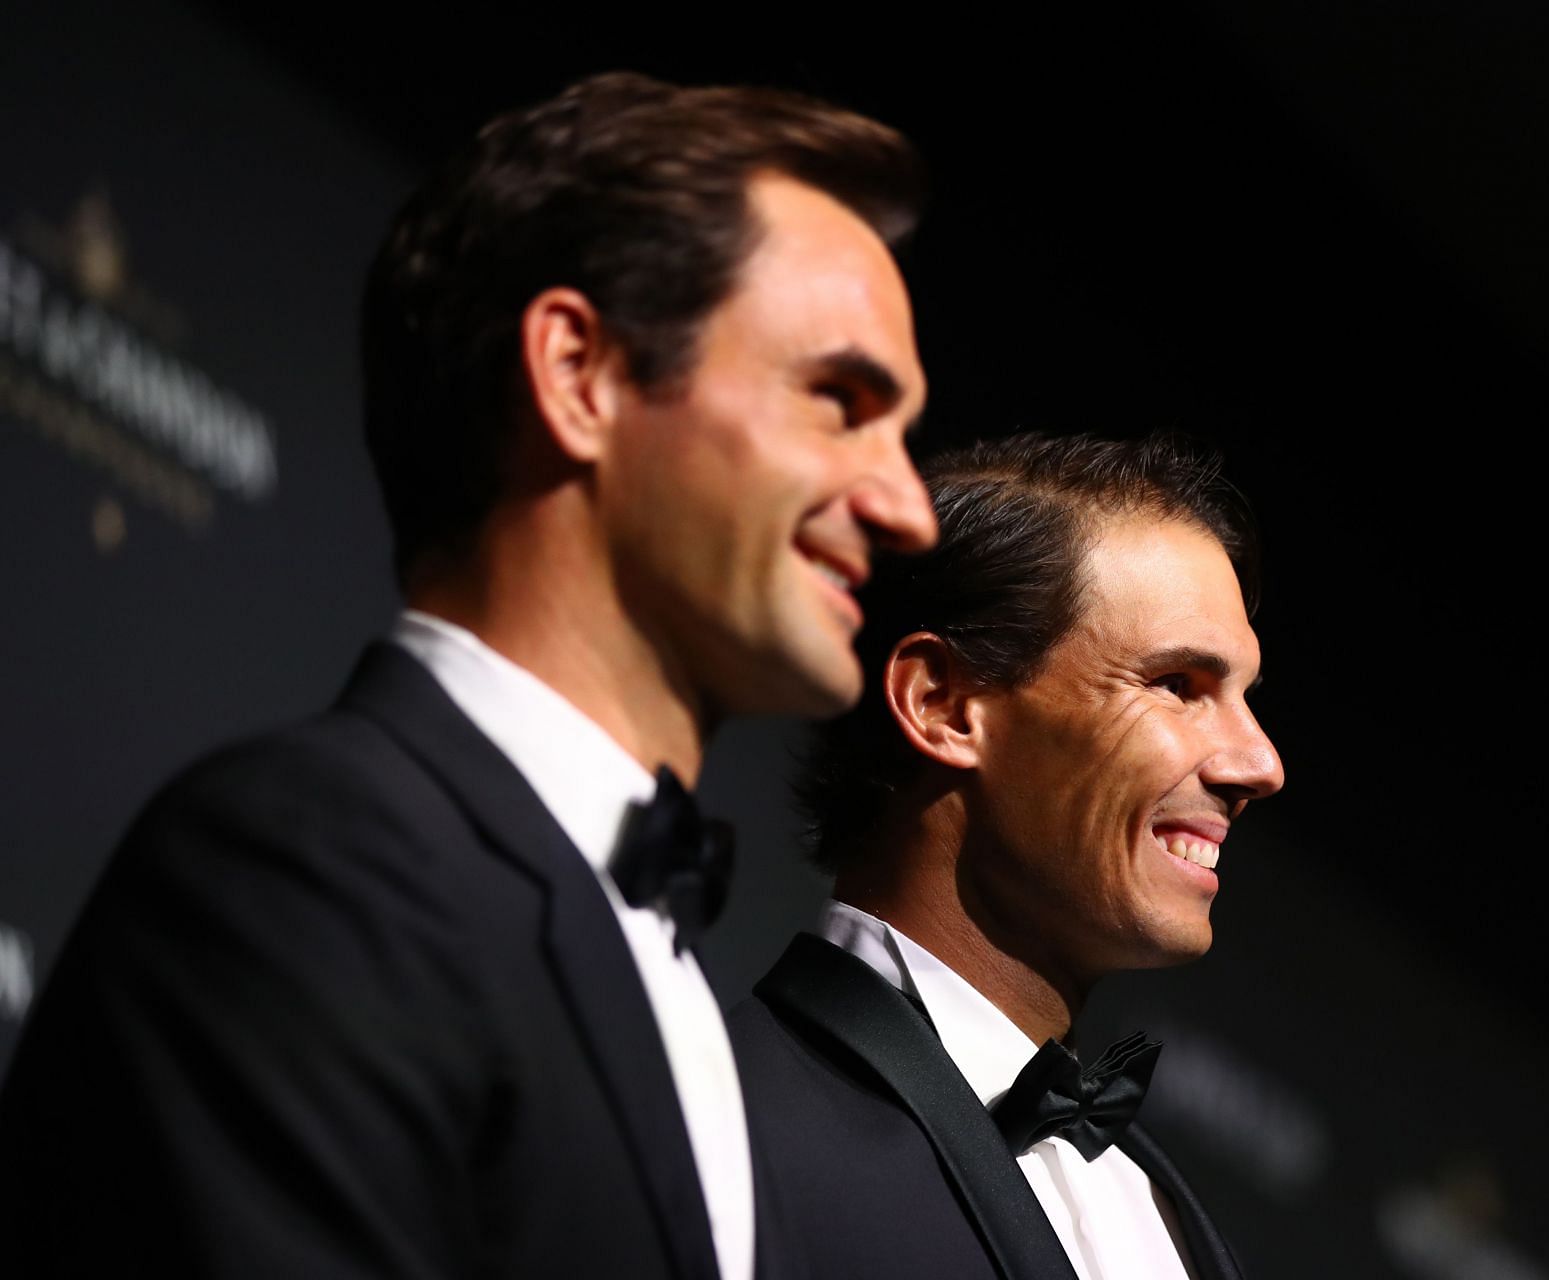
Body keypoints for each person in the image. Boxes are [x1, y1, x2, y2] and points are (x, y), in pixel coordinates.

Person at [0, 72, 935, 1278]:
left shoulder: (663, 965)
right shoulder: (315, 871)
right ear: (580, 373)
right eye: (839, 401)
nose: (907, 506)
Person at [729, 432, 1285, 1279]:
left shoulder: (1160, 1206)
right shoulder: (721, 1114)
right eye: (1178, 686)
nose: (1259, 764)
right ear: (945, 705)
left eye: (1244, 698)